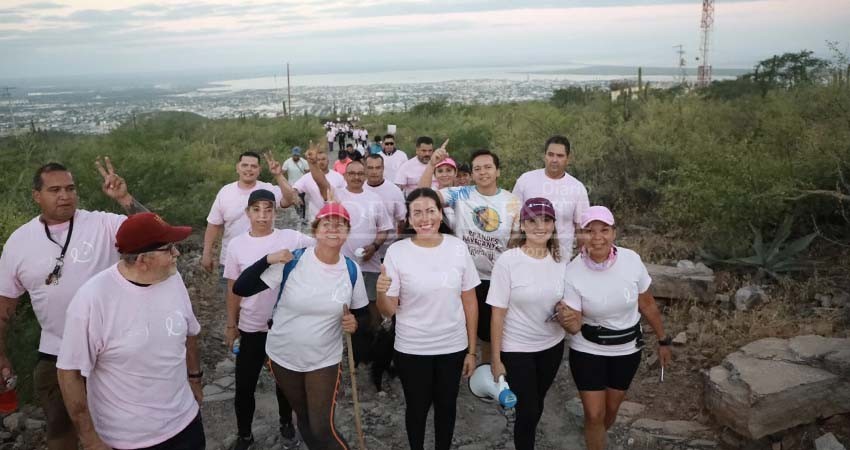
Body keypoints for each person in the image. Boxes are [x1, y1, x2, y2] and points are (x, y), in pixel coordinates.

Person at [0, 159, 148, 450]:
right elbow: (4, 306)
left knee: (121, 423)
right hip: (56, 350)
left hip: (111, 349)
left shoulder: (103, 224)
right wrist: (1, 355)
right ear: (36, 195)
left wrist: (124, 199)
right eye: (54, 189)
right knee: (59, 425)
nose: (65, 196)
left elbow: (155, 232)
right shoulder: (19, 242)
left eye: (70, 188)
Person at [56, 212, 204, 450]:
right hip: (129, 440)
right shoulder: (93, 300)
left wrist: (195, 378)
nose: (177, 254)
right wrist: (89, 438)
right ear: (142, 260)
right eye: (169, 249)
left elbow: (189, 332)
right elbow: (69, 373)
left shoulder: (172, 278)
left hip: (186, 424)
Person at [233, 203, 369, 450]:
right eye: (326, 224)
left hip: (323, 359)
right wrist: (267, 259)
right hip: (282, 356)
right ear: (315, 230)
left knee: (322, 428)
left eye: (340, 225)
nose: (332, 230)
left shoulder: (351, 270)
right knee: (303, 418)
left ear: (347, 233)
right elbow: (241, 288)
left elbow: (362, 313)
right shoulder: (293, 262)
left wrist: (355, 323)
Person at [557, 206, 672, 450]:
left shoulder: (631, 260)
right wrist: (567, 320)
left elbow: (647, 304)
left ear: (614, 233)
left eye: (604, 230)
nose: (597, 237)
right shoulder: (572, 271)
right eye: (590, 231)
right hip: (588, 350)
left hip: (627, 350)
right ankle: (594, 437)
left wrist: (663, 339)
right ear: (581, 235)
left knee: (610, 411)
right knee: (594, 414)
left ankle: (593, 436)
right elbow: (575, 324)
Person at [376, 188, 479, 450]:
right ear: (409, 219)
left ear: (440, 214)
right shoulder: (398, 252)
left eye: (431, 211)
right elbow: (389, 310)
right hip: (412, 347)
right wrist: (381, 292)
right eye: (417, 213)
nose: (425, 218)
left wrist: (471, 351)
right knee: (417, 407)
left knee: (447, 407)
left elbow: (469, 301)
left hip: (453, 346)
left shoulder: (457, 247)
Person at [223, 189, 315, 450]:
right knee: (244, 387)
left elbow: (322, 249)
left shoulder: (291, 238)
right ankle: (244, 435)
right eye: (256, 210)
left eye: (268, 209)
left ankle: (286, 423)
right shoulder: (237, 245)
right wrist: (232, 325)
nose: (263, 216)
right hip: (251, 325)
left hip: (284, 326)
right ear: (247, 213)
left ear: (276, 211)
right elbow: (232, 287)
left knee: (284, 381)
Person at [421, 148, 521, 364]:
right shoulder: (461, 194)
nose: (483, 172)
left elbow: (516, 242)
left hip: (494, 278)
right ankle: (457, 367)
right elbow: (423, 197)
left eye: (488, 167)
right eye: (477, 168)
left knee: (488, 331)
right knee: (457, 325)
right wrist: (431, 165)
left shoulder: (512, 201)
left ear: (498, 172)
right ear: (471, 173)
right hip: (462, 276)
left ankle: (486, 372)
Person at [488, 198, 566, 450]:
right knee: (528, 409)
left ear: (554, 224)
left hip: (551, 345)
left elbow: (569, 300)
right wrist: (496, 359)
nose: (539, 226)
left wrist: (564, 309)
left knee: (537, 403)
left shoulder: (561, 261)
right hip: (517, 348)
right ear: (522, 225)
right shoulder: (508, 261)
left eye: (545, 220)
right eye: (532, 220)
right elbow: (497, 313)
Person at [305, 147, 393, 324]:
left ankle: (374, 339)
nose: (356, 177)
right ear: (345, 176)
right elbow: (322, 183)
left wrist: (374, 247)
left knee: (371, 308)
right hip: (342, 265)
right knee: (342, 307)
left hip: (370, 265)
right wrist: (312, 164)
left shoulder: (375, 199)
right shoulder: (337, 195)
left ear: (365, 175)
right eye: (352, 173)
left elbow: (384, 229)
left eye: (360, 173)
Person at [201, 151, 287, 275]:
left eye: (253, 166)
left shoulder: (269, 189)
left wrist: (279, 176)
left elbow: (289, 200)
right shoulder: (225, 192)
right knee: (231, 293)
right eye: (245, 165)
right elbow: (213, 224)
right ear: (237, 168)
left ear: (259, 169)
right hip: (230, 261)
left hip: (265, 260)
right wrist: (206, 254)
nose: (249, 169)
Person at [512, 135, 589, 258]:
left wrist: (582, 259)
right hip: (526, 256)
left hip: (560, 260)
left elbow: (581, 229)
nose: (554, 159)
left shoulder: (577, 188)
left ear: (568, 159)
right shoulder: (525, 180)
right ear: (544, 156)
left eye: (560, 156)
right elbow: (514, 220)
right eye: (550, 154)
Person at [281, 146, 346, 220]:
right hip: (315, 218)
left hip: (335, 216)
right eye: (318, 160)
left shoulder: (338, 177)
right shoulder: (307, 177)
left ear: (328, 161)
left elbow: (346, 194)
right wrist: (295, 195)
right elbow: (295, 188)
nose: (321, 162)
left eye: (323, 159)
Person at [281, 147, 309, 220]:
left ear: (299, 155)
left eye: (297, 155)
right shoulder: (287, 162)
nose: (295, 157)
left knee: (301, 200)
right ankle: (299, 213)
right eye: (294, 155)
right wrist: (283, 183)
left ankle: (302, 217)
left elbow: (308, 173)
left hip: (302, 187)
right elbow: (282, 173)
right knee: (295, 201)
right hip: (291, 186)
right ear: (292, 154)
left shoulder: (304, 162)